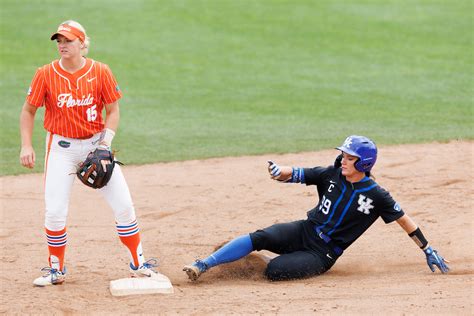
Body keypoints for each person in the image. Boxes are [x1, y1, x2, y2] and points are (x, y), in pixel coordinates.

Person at [183, 135, 449, 281]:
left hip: (323, 253)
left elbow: (405, 220)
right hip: (305, 230)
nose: (343, 160)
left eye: (349, 157)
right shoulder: (331, 173)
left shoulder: (377, 195)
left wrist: (427, 249)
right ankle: (204, 265)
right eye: (343, 155)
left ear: (364, 163)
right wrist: (279, 172)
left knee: (275, 272)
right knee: (260, 237)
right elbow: (297, 173)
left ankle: (258, 259)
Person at [20, 20, 159, 286]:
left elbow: (113, 110)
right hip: (60, 149)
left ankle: (138, 264)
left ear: (82, 44)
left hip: (97, 145)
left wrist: (105, 143)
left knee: (124, 205)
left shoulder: (101, 71)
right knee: (55, 212)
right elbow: (28, 111)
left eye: (68, 40)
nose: (62, 45)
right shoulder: (45, 74)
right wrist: (27, 145)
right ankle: (56, 270)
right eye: (59, 41)